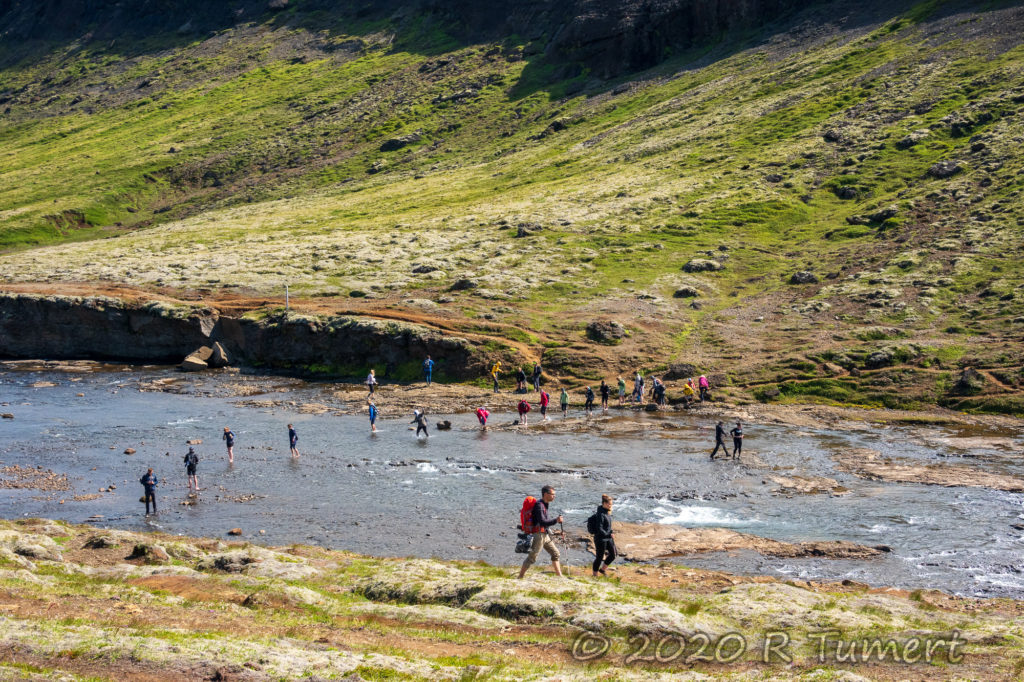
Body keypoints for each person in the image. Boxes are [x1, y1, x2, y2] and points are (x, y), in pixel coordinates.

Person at [518, 485, 564, 579]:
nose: (554, 496)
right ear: (546, 494)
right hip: (538, 535)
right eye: (552, 494)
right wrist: (556, 520)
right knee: (532, 557)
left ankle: (559, 576)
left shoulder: (545, 504)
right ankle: (520, 577)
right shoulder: (539, 505)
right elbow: (542, 522)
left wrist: (556, 533)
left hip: (544, 534)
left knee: (555, 553)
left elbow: (545, 523)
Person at [590, 494, 616, 577]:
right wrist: (608, 534)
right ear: (604, 503)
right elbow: (599, 528)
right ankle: (595, 575)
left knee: (613, 554)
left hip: (607, 537)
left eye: (611, 504)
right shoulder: (600, 514)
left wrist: (610, 532)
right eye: (609, 504)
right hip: (600, 539)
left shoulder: (607, 512)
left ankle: (602, 570)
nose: (610, 506)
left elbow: (607, 526)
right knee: (599, 558)